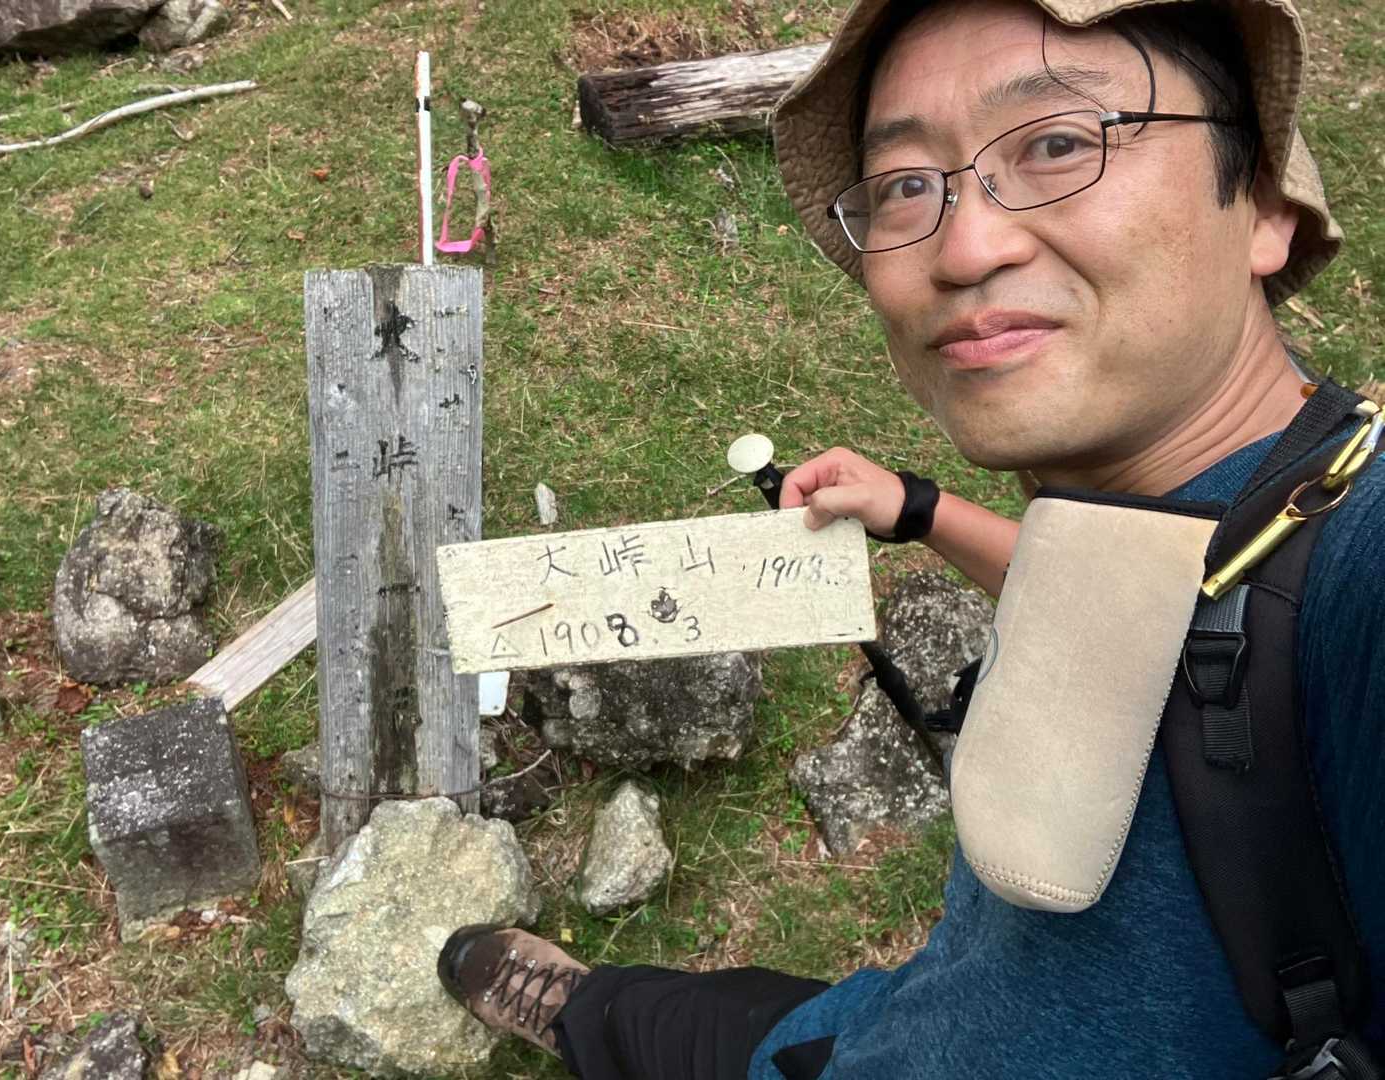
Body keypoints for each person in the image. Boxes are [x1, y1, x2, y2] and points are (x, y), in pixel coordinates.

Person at [438, 0, 1385, 1076]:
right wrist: (921, 510)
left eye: (1057, 144)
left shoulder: (1359, 567)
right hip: (895, 1023)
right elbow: (1153, 609)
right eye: (902, 187)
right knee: (673, 1022)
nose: (964, 248)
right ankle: (577, 1005)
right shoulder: (1239, 510)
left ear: (1262, 205)